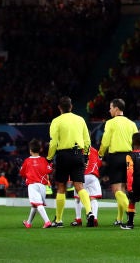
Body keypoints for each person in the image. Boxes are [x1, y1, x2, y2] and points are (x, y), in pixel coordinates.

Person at [46, 96, 93, 227]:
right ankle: (89, 212)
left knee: (61, 187)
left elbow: (53, 142)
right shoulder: (80, 119)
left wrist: (49, 158)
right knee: (79, 186)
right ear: (71, 107)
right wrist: (86, 156)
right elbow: (87, 140)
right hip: (78, 154)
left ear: (59, 108)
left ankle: (59, 220)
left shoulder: (56, 121)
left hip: (63, 155)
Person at [98, 97, 137, 227]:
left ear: (116, 108)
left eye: (110, 108)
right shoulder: (132, 124)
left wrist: (100, 154)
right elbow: (137, 141)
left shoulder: (110, 123)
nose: (109, 110)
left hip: (115, 157)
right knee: (123, 189)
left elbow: (105, 141)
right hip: (129, 157)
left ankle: (129, 210)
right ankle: (119, 219)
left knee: (116, 189)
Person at [19, 138, 54, 229]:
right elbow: (49, 170)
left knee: (38, 204)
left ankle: (47, 222)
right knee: (35, 204)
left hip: (32, 185)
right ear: (40, 150)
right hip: (42, 186)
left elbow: (22, 173)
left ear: (30, 151)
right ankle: (28, 223)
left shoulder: (27, 161)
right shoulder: (43, 160)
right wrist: (51, 165)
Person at [72, 145, 102, 227]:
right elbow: (99, 163)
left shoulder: (77, 150)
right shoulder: (94, 150)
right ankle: (95, 219)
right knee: (93, 198)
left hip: (82, 175)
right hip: (93, 176)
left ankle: (78, 219)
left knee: (77, 198)